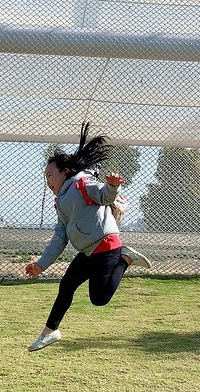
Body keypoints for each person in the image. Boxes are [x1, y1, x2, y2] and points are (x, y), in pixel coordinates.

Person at [26, 123, 151, 352]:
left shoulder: (83, 183)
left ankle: (125, 259)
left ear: (65, 172)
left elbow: (103, 196)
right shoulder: (60, 201)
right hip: (87, 251)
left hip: (106, 246)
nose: (48, 181)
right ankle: (50, 332)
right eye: (46, 177)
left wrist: (112, 186)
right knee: (66, 285)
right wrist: (41, 265)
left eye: (50, 175)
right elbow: (59, 237)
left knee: (99, 298)